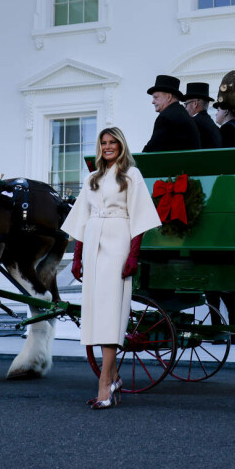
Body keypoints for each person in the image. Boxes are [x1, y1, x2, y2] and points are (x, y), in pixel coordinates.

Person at [61, 127, 162, 409]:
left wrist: (133, 256)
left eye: (112, 142)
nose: (107, 147)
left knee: (110, 313)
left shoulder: (131, 175)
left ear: (121, 145)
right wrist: (77, 256)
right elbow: (81, 219)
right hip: (92, 243)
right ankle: (114, 377)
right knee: (95, 313)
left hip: (118, 242)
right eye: (103, 143)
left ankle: (104, 382)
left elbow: (140, 218)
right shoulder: (91, 179)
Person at [142, 74, 200, 153]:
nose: (153, 102)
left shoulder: (166, 117)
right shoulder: (182, 113)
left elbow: (152, 149)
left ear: (169, 97)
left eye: (156, 97)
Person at [182, 82, 222, 149]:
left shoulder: (193, 123)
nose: (185, 108)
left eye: (186, 104)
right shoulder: (211, 123)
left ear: (195, 104)